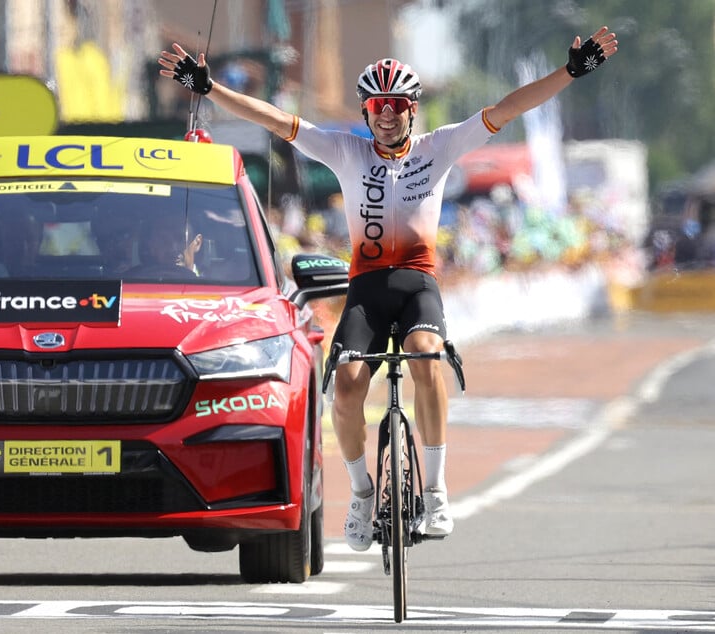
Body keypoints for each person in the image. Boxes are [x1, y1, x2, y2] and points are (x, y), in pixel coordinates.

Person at [160, 27, 618, 549]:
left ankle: (439, 490)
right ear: (365, 110)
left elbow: (509, 107)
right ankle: (360, 495)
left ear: (412, 109)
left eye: (397, 104)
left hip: (419, 284)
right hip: (368, 292)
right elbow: (275, 119)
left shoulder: (440, 146)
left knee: (426, 356)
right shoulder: (344, 152)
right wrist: (209, 87)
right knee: (349, 385)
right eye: (378, 103)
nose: (387, 113)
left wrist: (571, 72)